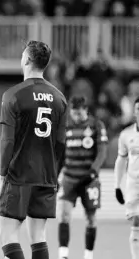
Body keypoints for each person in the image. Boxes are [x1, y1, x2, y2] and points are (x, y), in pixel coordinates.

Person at [0, 40, 67, 259]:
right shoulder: (59, 98)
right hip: (46, 175)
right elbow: (61, 143)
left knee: (7, 235)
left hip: (18, 174)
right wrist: (56, 174)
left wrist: (2, 175)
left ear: (26, 59)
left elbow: (7, 141)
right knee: (38, 236)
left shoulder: (13, 94)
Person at [57, 96, 108, 259]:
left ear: (85, 111)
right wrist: (56, 176)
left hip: (89, 180)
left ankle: (88, 255)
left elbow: (102, 152)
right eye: (73, 113)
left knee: (91, 218)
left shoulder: (96, 125)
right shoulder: (66, 126)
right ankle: (63, 255)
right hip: (69, 178)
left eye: (78, 114)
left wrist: (93, 171)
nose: (75, 117)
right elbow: (61, 155)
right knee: (63, 215)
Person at [114, 97, 139, 259]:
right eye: (138, 109)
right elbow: (121, 160)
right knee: (136, 221)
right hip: (134, 184)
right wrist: (117, 185)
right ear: (135, 112)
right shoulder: (126, 135)